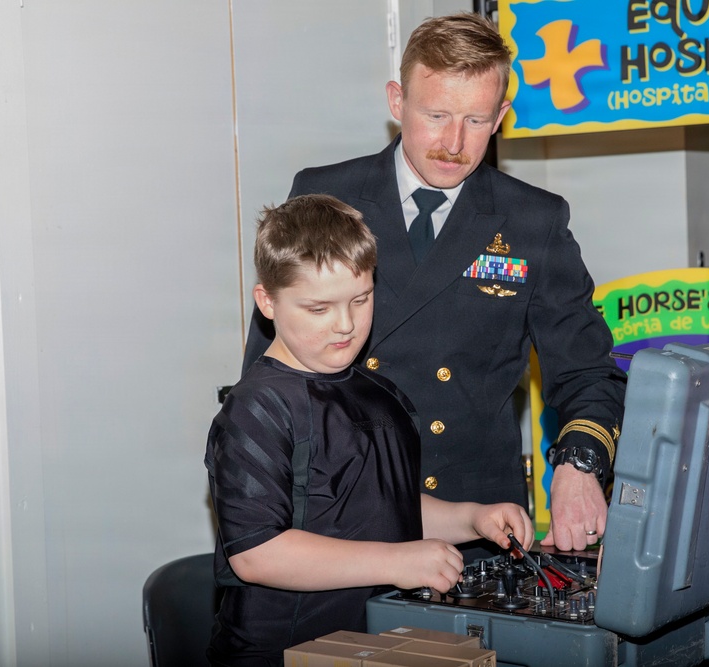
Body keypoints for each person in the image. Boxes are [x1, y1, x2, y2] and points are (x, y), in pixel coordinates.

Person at [243, 12, 626, 554]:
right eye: (436, 115)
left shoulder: (532, 220)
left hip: (480, 524)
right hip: (341, 511)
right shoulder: (327, 194)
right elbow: (268, 370)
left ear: (501, 117)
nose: (453, 142)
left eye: (476, 120)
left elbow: (587, 373)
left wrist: (579, 465)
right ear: (397, 101)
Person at [206, 194, 534, 666]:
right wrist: (396, 561)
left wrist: (471, 518)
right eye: (318, 309)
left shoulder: (380, 393)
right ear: (268, 302)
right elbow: (257, 553)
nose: (345, 325)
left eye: (360, 300)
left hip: (378, 645)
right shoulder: (256, 409)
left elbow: (384, 507)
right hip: (285, 653)